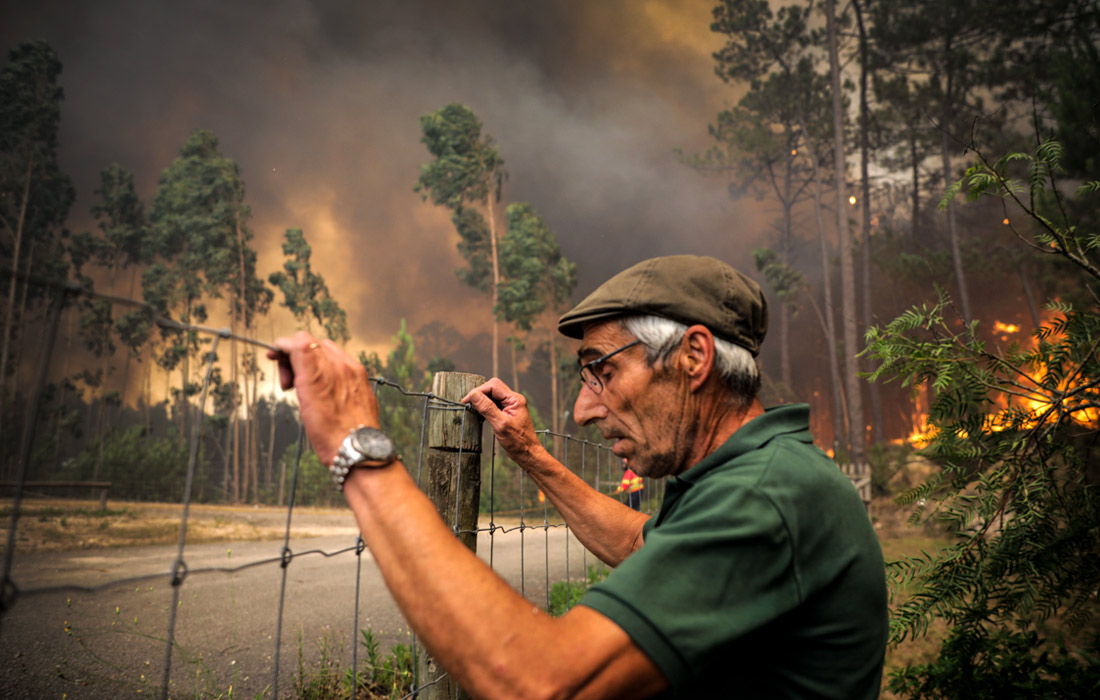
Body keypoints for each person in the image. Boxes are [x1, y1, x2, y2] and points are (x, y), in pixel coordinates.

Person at [269, 254, 888, 699]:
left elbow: (541, 682)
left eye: (603, 372)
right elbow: (644, 545)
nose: (582, 410)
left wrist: (361, 453)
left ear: (693, 357)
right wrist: (531, 454)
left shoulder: (763, 497)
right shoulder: (755, 473)